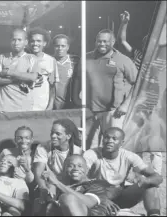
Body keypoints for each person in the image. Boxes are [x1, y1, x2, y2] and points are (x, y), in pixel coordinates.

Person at [117, 10, 163, 183]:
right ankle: (132, 175)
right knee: (131, 140)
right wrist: (125, 23)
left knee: (155, 146)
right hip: (136, 104)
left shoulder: (162, 60)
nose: (148, 46)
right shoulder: (138, 56)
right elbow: (122, 41)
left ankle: (155, 177)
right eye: (146, 43)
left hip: (156, 106)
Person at [83, 127, 163, 216]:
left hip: (119, 196)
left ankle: (154, 215)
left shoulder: (129, 156)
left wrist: (146, 181)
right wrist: (99, 197)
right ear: (103, 139)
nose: (110, 141)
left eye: (114, 139)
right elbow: (81, 180)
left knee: (151, 185)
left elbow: (157, 177)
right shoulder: (91, 154)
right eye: (107, 137)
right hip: (96, 197)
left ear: (121, 143)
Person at [86, 29, 138, 149]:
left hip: (114, 112)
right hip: (92, 111)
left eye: (105, 41)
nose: (102, 44)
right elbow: (80, 80)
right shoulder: (87, 58)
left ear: (113, 41)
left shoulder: (123, 60)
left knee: (113, 146)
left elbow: (136, 83)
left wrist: (125, 104)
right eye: (99, 41)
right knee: (92, 147)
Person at [41, 155, 121, 216]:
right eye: (70, 166)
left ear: (87, 169)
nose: (75, 168)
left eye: (80, 166)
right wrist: (49, 185)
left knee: (67, 198)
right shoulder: (61, 186)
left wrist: (57, 183)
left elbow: (89, 202)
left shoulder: (95, 184)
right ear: (64, 169)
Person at [32, 118, 82, 214]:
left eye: (58, 134)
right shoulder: (43, 147)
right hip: (48, 183)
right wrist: (43, 188)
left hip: (69, 185)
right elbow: (38, 172)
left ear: (68, 136)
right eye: (52, 133)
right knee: (43, 202)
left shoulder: (78, 152)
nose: (53, 136)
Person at [0, 28, 40, 113]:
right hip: (1, 106)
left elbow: (32, 77)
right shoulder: (3, 57)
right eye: (14, 40)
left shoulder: (31, 58)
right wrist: (17, 79)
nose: (16, 43)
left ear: (26, 42)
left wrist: (9, 72)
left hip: (22, 106)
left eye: (19, 40)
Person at [28, 27, 57, 111]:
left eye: (38, 41)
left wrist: (50, 106)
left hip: (42, 106)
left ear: (44, 43)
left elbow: (52, 86)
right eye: (32, 41)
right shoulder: (22, 59)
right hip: (24, 106)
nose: (35, 43)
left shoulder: (51, 61)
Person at [52, 34, 81, 110]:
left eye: (63, 46)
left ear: (68, 47)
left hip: (72, 104)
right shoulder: (49, 61)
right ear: (53, 47)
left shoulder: (75, 61)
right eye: (57, 46)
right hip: (54, 105)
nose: (60, 48)